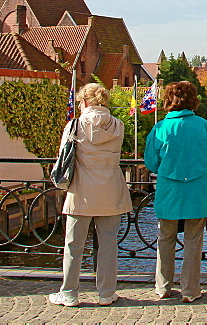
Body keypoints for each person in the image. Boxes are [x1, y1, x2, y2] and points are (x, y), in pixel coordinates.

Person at [48, 82, 133, 308]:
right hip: (111, 189)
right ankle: (106, 293)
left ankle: (69, 292)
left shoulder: (75, 126)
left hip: (81, 190)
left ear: (84, 102)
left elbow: (64, 157)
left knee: (73, 245)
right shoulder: (118, 125)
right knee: (108, 244)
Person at [143, 81, 207, 303]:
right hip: (198, 190)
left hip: (170, 190)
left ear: (168, 101)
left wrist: (170, 171)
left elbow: (151, 162)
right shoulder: (204, 125)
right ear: (192, 100)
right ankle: (190, 290)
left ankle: (163, 287)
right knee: (193, 240)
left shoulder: (160, 128)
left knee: (165, 238)